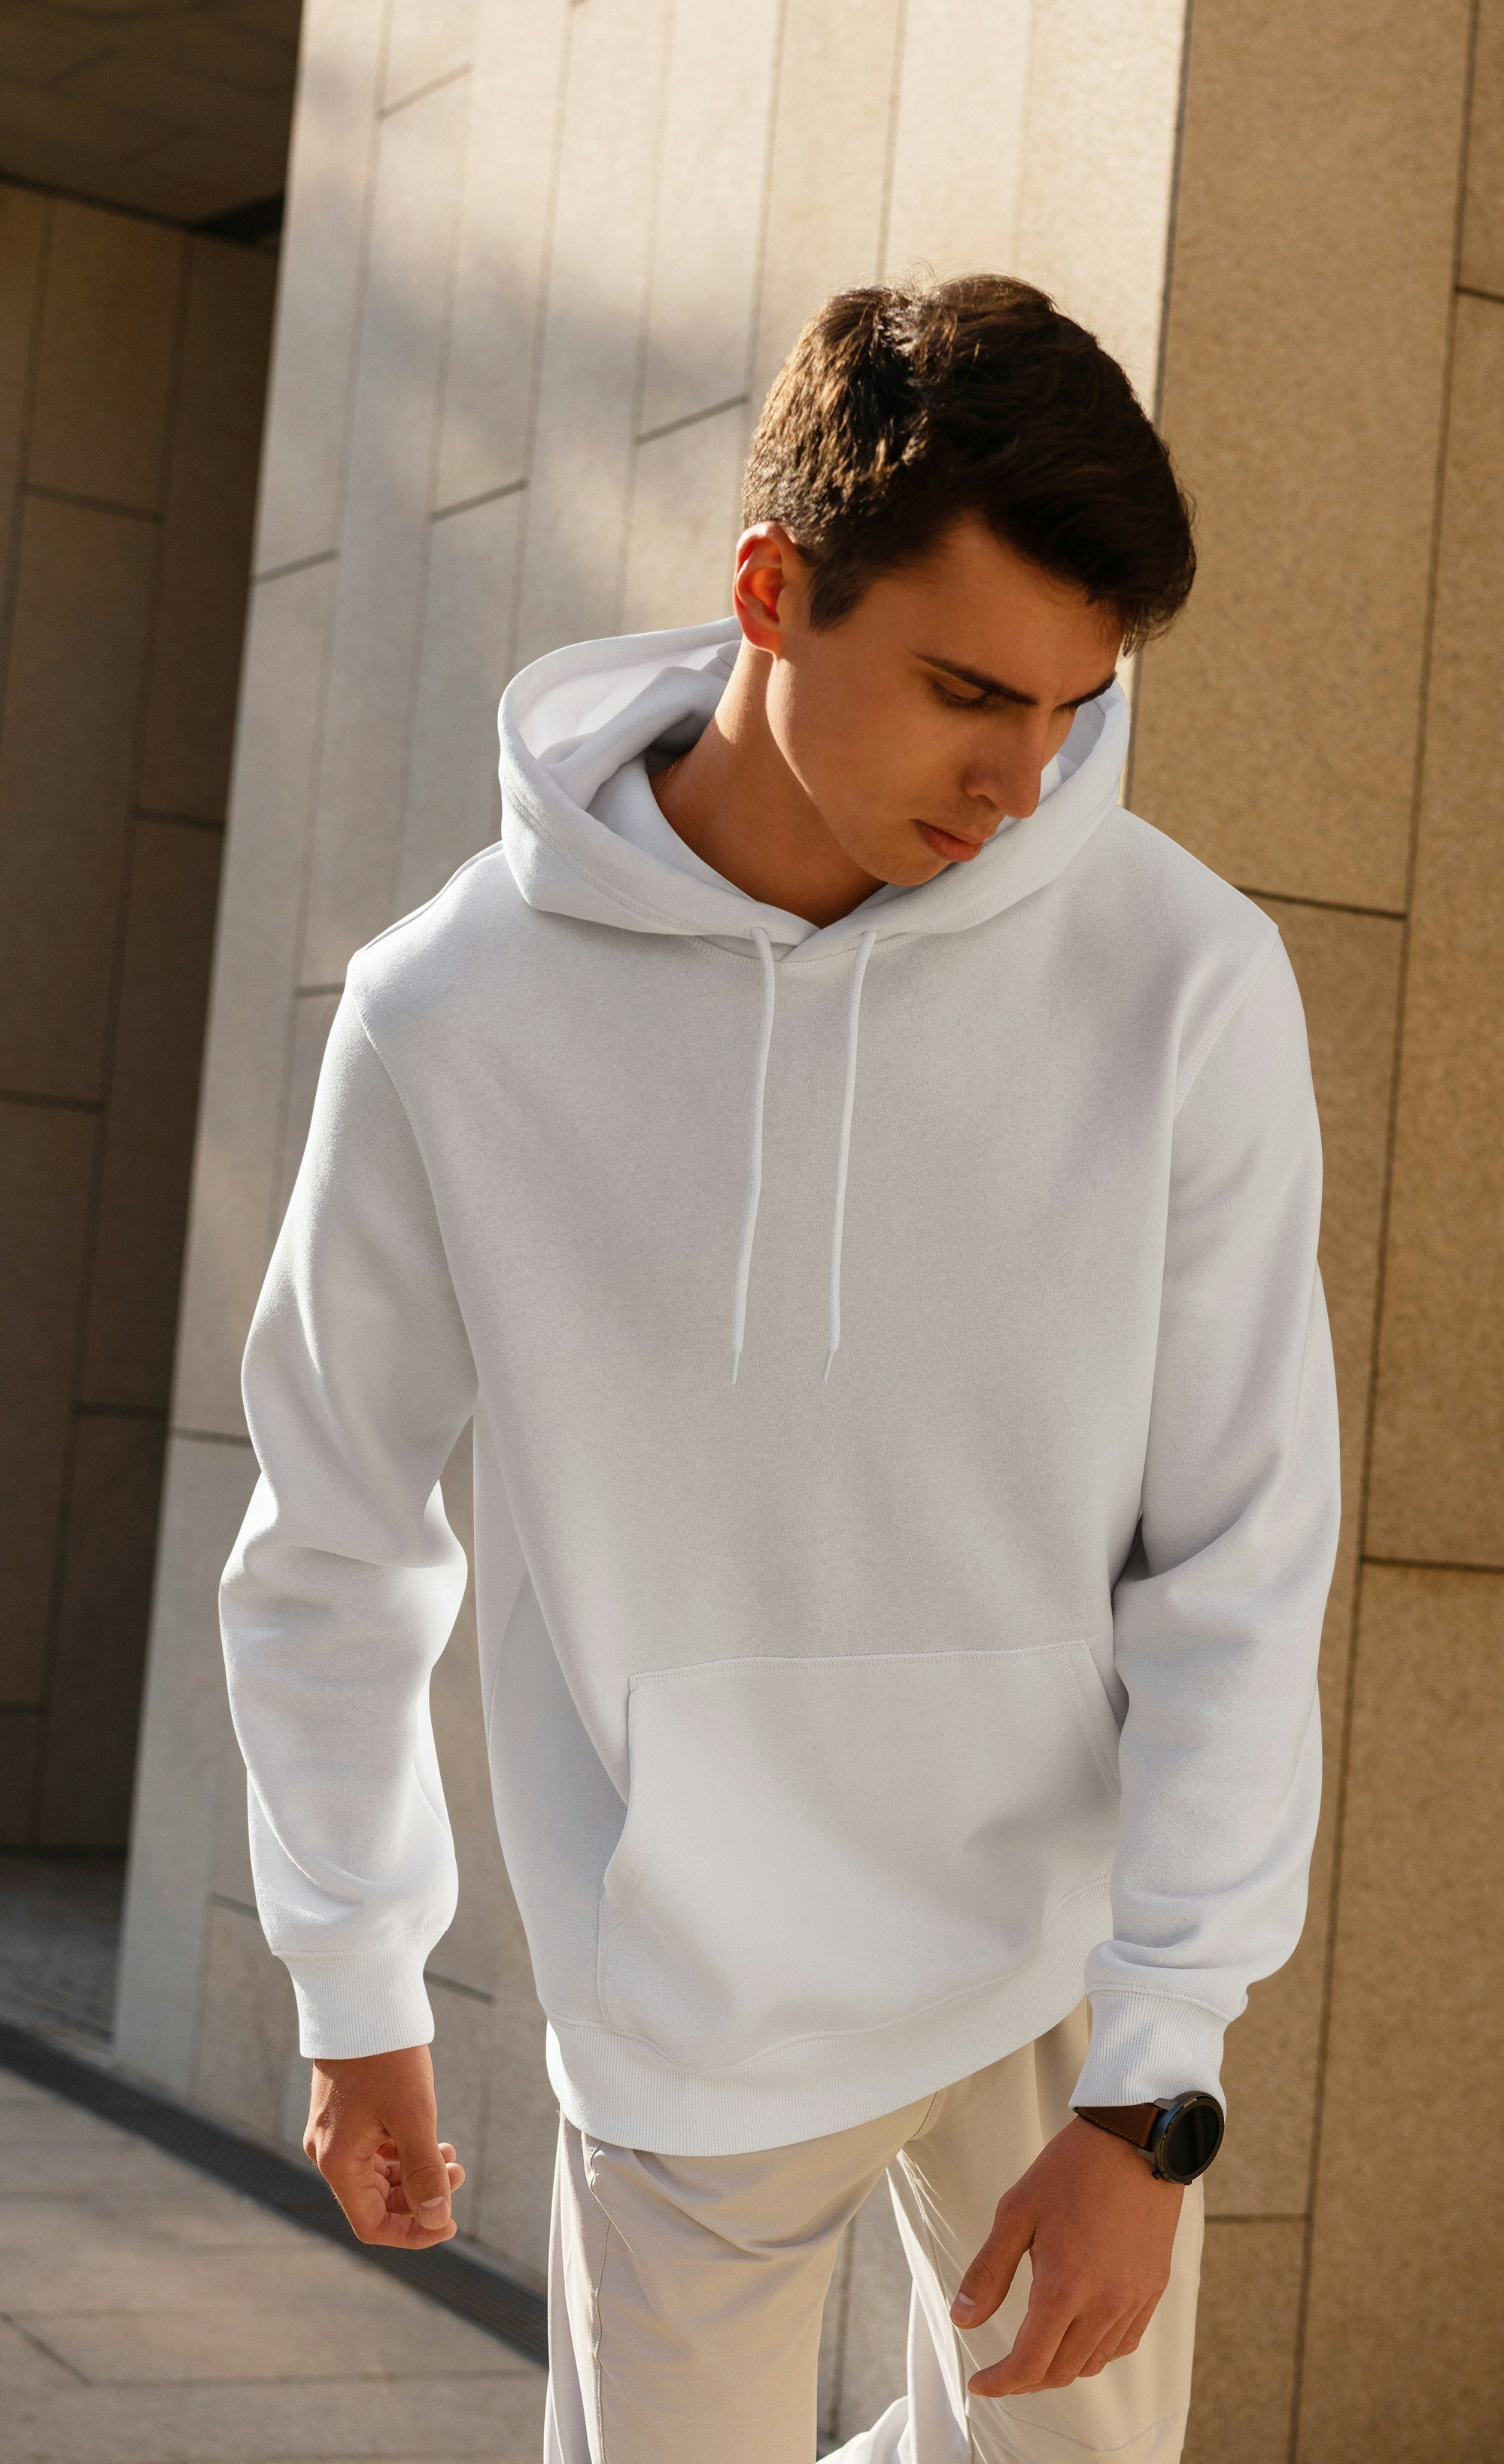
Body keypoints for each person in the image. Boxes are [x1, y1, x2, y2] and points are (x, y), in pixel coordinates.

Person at [220, 275, 1340, 2462]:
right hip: (686, 1995)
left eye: (1074, 707)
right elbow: (335, 1533)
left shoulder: (1182, 978)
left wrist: (1160, 2079)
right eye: (966, 692)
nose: (1022, 779)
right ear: (771, 590)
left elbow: (1239, 1548)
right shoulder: (452, 1010)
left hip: (1059, 1978)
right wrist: (355, 1982)